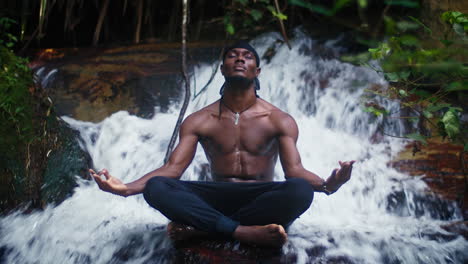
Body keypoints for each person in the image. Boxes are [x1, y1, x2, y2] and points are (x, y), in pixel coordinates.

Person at [90, 41, 355, 248]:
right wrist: (126, 189)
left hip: (260, 199)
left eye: (247, 56)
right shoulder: (199, 120)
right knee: (158, 187)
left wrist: (328, 184)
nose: (240, 58)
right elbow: (172, 169)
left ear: (257, 71)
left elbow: (294, 171)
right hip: (215, 197)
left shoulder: (279, 120)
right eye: (233, 55)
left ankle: (205, 228)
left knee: (299, 191)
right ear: (222, 68)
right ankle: (242, 231)